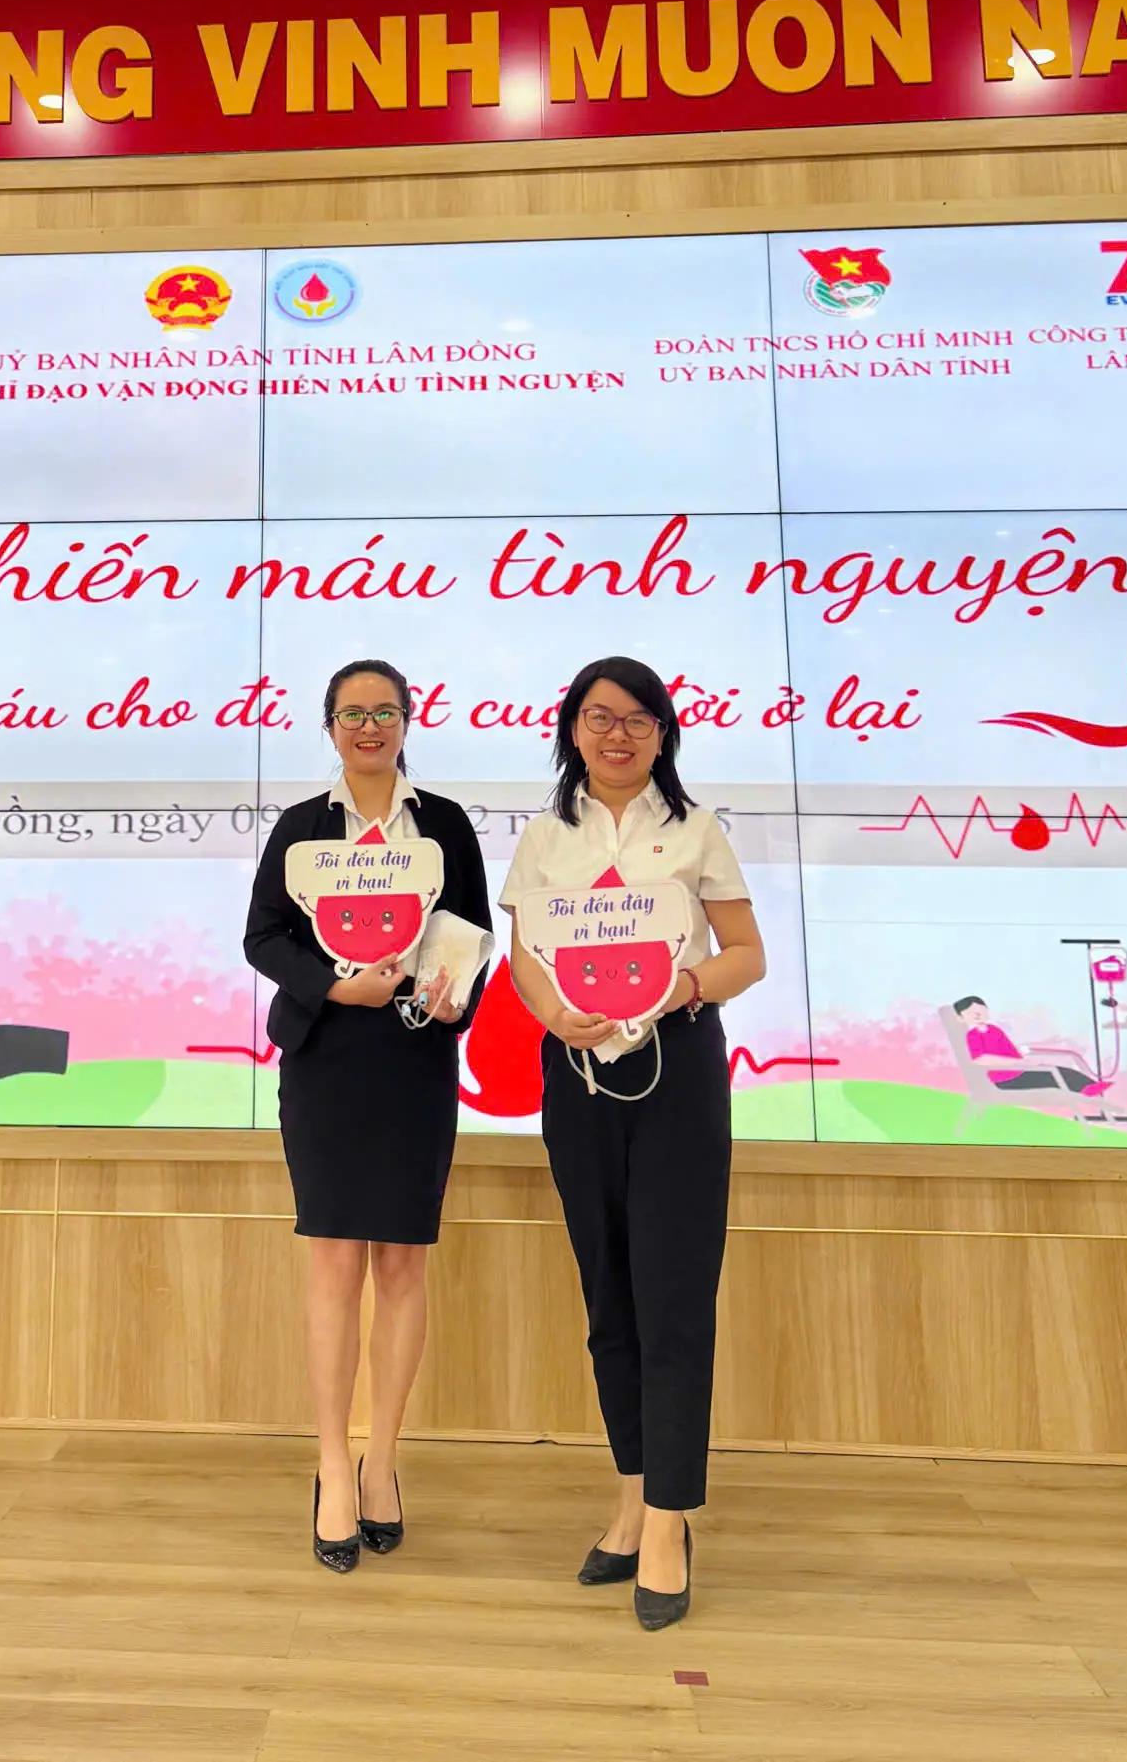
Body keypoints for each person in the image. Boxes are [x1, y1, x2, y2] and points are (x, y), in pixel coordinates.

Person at [500, 656, 764, 1633]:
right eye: (600, 717)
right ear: (572, 728)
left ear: (662, 733)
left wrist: (685, 985)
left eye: (638, 719)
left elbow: (746, 953)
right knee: (608, 1295)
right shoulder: (544, 836)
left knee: (672, 1297)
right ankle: (629, 1496)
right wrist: (550, 1010)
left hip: (676, 1072)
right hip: (575, 1077)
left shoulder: (695, 829)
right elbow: (525, 955)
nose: (618, 734)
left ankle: (667, 1521)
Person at [243, 659, 492, 1572]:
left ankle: (381, 1461)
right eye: (352, 713)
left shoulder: (446, 824)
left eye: (384, 710)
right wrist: (334, 985)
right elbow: (262, 936)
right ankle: (329, 1468)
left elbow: (473, 934)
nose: (368, 725)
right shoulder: (300, 827)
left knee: (402, 1263)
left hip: (413, 1060)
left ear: (406, 720)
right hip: (326, 1061)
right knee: (334, 1263)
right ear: (329, 726)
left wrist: (454, 994)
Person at [951, 995, 1113, 1116]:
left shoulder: (994, 1030)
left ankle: (1089, 1087)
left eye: (981, 1010)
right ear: (961, 1018)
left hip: (1019, 1071)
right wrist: (1015, 1063)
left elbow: (1010, 1050)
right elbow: (981, 1059)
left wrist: (1024, 1058)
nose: (978, 1015)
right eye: (972, 1013)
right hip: (1007, 1079)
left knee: (1058, 1071)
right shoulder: (973, 1035)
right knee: (1055, 1074)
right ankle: (1087, 1089)